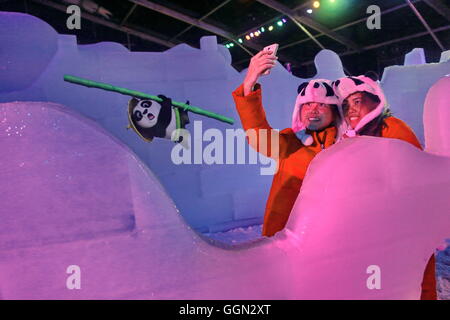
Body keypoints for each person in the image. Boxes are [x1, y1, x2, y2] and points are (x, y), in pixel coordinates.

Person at [332, 73, 437, 300]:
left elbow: (415, 182)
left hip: (403, 232)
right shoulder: (354, 139)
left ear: (375, 100)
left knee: (414, 284)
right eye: (346, 105)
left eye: (357, 101)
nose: (350, 110)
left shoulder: (392, 128)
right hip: (373, 233)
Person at [232, 50, 340, 237]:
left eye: (321, 104)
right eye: (307, 104)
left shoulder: (347, 146)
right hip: (287, 238)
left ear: (335, 111)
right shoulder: (291, 142)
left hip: (331, 236)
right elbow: (259, 136)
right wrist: (249, 84)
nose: (312, 109)